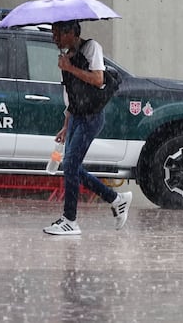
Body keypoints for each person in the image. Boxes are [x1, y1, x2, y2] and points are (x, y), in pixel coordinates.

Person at [43, 20, 132, 236]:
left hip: (91, 118)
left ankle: (70, 220)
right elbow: (72, 96)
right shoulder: (67, 56)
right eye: (53, 33)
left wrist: (70, 68)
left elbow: (97, 78)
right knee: (70, 166)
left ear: (71, 32)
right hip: (76, 117)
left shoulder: (91, 48)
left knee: (71, 166)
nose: (54, 38)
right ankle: (115, 199)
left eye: (58, 33)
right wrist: (66, 125)